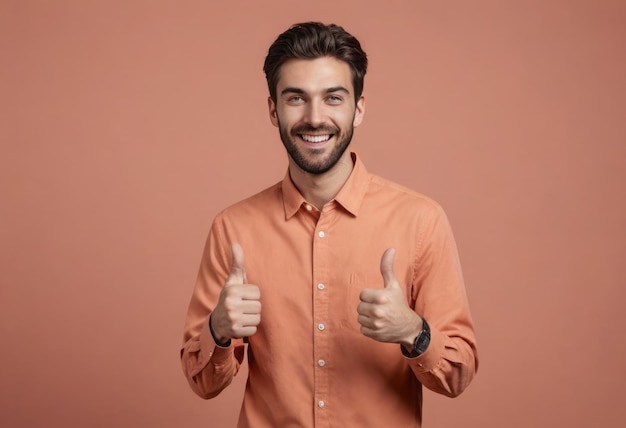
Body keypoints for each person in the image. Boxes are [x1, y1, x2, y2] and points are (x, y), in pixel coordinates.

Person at [181, 22, 478, 428]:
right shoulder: (233, 228)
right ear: (273, 110)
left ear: (358, 108)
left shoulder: (420, 220)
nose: (315, 117)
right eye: (296, 99)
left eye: (333, 98)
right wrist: (218, 329)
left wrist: (413, 331)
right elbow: (202, 382)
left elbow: (457, 375)